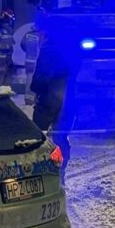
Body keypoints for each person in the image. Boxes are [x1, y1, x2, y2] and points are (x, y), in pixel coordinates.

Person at [31, 29, 80, 181]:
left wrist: (35, 88)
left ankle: (41, 174)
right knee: (61, 136)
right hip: (69, 100)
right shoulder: (70, 49)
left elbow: (41, 76)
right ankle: (60, 174)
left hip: (50, 98)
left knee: (39, 136)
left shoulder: (48, 49)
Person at [0, 9, 16, 86]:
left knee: (8, 76)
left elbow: (11, 43)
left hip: (8, 57)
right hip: (1, 57)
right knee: (0, 76)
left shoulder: (9, 31)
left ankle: (5, 94)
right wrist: (6, 46)